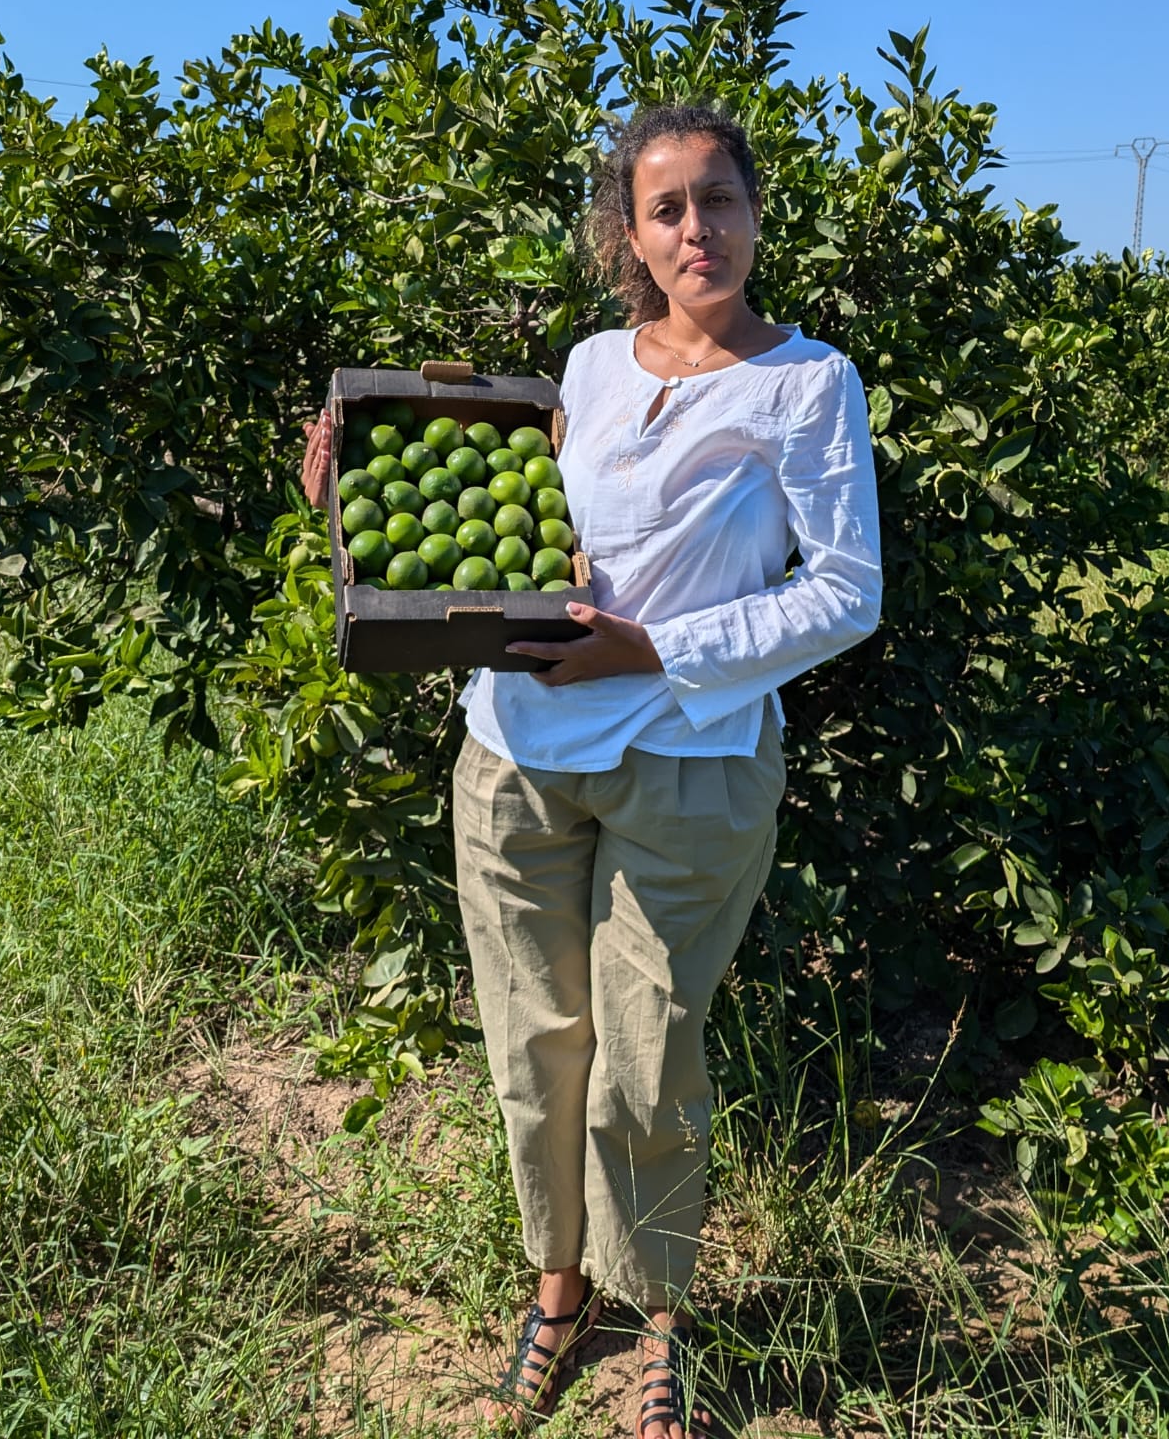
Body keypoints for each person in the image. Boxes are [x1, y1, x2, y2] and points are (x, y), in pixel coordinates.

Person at [304, 102, 882, 1439]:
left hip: (688, 764)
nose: (700, 230)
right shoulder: (589, 366)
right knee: (534, 1046)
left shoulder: (806, 381)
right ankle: (559, 1294)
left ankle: (658, 1319)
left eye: (719, 200)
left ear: (754, 209)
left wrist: (654, 650)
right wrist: (345, 501)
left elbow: (845, 593)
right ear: (630, 232)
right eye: (668, 209)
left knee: (645, 1058)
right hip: (513, 752)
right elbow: (504, 535)